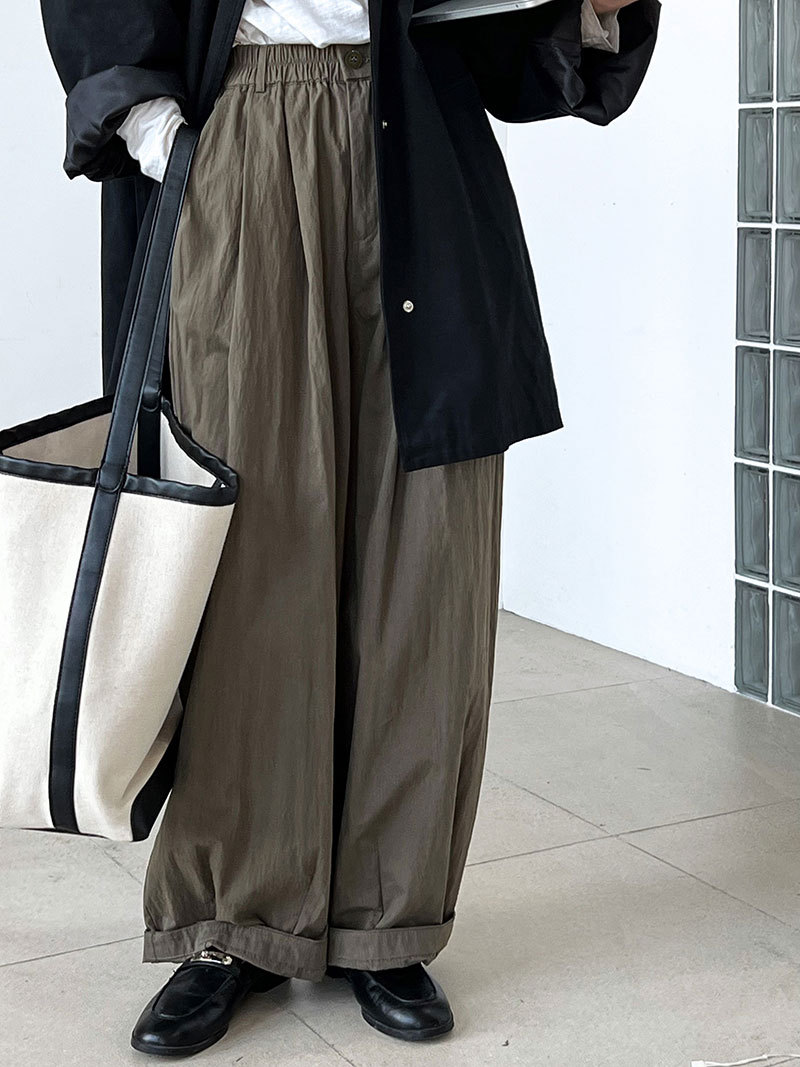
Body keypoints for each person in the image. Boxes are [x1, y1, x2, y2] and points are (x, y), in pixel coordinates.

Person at [40, 0, 660, 1055]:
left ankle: (387, 918)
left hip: (415, 132)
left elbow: (502, 49)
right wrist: (161, 136)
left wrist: (590, 11)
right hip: (242, 124)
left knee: (424, 553)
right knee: (247, 556)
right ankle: (234, 918)